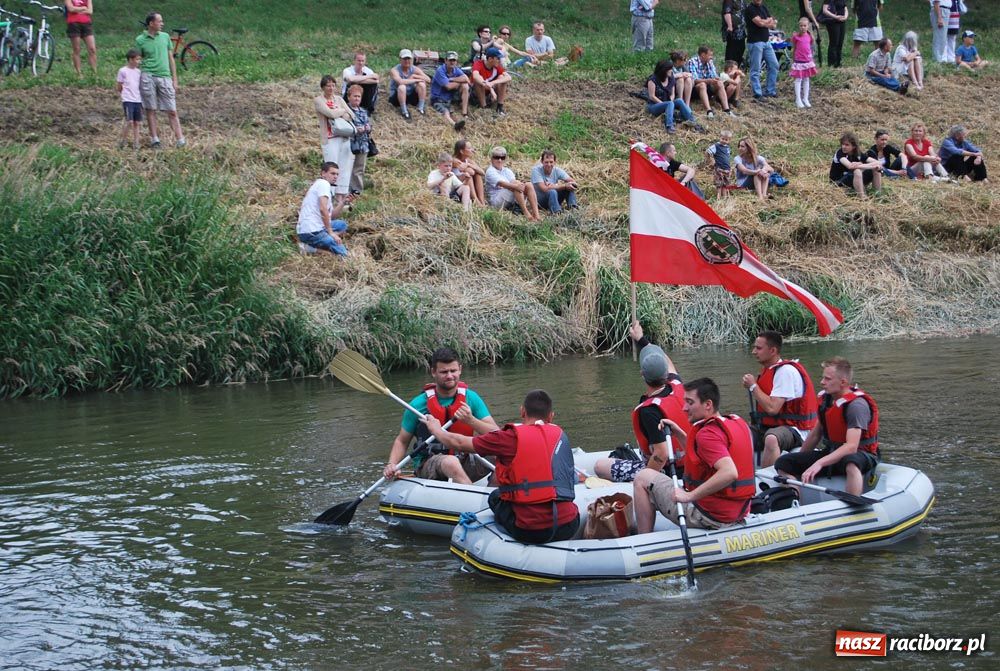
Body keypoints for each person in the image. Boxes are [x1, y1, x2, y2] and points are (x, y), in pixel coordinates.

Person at [423, 389, 579, 544]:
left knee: (495, 497)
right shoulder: (560, 436)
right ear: (551, 416)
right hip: (569, 524)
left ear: (522, 411)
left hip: (530, 530)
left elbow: (459, 443)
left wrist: (436, 428)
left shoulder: (508, 438)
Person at [633, 378, 755, 534]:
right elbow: (698, 458)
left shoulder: (707, 435)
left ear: (708, 404)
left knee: (643, 477)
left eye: (690, 402)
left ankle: (643, 539)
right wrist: (679, 433)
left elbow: (729, 472)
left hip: (708, 516)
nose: (684, 408)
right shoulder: (732, 423)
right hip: (738, 511)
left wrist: (689, 496)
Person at [384, 347, 499, 484]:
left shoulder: (471, 398)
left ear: (460, 369)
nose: (450, 376)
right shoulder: (418, 404)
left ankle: (495, 497)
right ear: (433, 372)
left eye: (453, 371)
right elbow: (402, 441)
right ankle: (472, 500)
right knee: (450, 462)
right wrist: (392, 464)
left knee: (503, 452)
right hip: (429, 463)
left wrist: (471, 421)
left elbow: (496, 434)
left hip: (466, 459)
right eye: (444, 372)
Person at [594, 322, 692, 484]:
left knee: (600, 466)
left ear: (642, 374)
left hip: (669, 471)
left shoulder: (649, 410)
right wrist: (641, 340)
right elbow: (667, 362)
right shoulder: (678, 385)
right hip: (690, 464)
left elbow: (662, 454)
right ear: (666, 373)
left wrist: (644, 479)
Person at [775, 357, 880, 497]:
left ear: (843, 382)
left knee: (851, 463)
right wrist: (799, 458)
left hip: (861, 454)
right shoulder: (827, 400)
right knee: (784, 462)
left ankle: (853, 503)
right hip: (832, 451)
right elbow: (815, 434)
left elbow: (851, 447)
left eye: (827, 379)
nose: (822, 382)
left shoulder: (856, 406)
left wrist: (819, 463)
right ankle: (793, 495)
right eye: (823, 378)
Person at [741, 331, 818, 468]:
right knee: (737, 431)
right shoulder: (768, 370)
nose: (753, 352)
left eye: (758, 348)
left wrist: (753, 386)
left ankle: (766, 479)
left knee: (771, 438)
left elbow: (772, 408)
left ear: (772, 350)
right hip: (771, 426)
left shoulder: (785, 372)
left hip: (796, 430)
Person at [135, 12, 185, 149]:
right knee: (150, 109)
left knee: (172, 110)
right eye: (159, 21)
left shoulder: (165, 37)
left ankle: (180, 139)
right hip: (148, 76)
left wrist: (174, 79)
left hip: (164, 76)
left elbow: (171, 59)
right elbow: (137, 60)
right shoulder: (140, 39)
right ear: (151, 23)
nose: (162, 24)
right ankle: (154, 139)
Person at [314, 75, 356, 201]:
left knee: (345, 166)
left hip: (344, 136)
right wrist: (341, 111)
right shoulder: (318, 100)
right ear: (323, 87)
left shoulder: (338, 99)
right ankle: (329, 194)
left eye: (333, 85)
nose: (331, 88)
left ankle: (341, 196)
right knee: (332, 166)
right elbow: (330, 113)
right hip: (330, 137)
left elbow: (351, 115)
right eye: (328, 85)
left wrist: (340, 111)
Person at [296, 162, 351, 257]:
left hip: (312, 228)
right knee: (344, 254)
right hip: (312, 231)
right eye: (332, 173)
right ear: (323, 173)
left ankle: (319, 243)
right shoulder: (323, 184)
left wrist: (343, 202)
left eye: (337, 174)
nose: (335, 176)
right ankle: (310, 248)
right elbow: (323, 209)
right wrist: (331, 232)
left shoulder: (322, 186)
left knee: (342, 225)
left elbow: (331, 216)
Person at [485, 146, 541, 221]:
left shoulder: (507, 171)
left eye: (502, 158)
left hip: (508, 196)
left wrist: (520, 185)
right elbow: (502, 183)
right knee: (516, 186)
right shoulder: (490, 171)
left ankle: (536, 214)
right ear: (491, 158)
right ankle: (526, 212)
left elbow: (513, 182)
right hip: (497, 200)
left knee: (529, 184)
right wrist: (517, 186)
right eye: (496, 157)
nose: (499, 160)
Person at [646, 59, 698, 134]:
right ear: (664, 70)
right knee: (669, 104)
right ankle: (669, 125)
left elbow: (672, 93)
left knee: (679, 100)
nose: (671, 71)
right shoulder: (652, 80)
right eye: (669, 69)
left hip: (668, 102)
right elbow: (652, 96)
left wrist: (671, 99)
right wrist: (664, 104)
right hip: (654, 105)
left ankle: (692, 120)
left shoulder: (671, 78)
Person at [744, 0, 779, 101]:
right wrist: (767, 21)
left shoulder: (763, 8)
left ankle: (770, 90)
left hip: (766, 41)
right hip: (755, 42)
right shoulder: (750, 9)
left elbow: (773, 25)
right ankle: (757, 93)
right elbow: (759, 23)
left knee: (774, 65)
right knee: (756, 68)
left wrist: (765, 22)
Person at [831, 132, 882, 197]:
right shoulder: (840, 153)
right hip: (838, 181)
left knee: (876, 170)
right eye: (843, 144)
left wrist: (867, 165)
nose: (843, 147)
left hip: (851, 177)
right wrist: (867, 166)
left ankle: (877, 193)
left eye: (847, 145)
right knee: (857, 171)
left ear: (854, 146)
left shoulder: (857, 153)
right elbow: (850, 166)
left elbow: (878, 162)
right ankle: (862, 197)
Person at [688, 46, 734, 118]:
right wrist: (709, 80)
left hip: (708, 86)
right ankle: (708, 110)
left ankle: (726, 109)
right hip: (695, 88)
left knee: (719, 83)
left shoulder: (710, 62)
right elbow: (695, 80)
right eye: (710, 55)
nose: (711, 57)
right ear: (703, 55)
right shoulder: (692, 61)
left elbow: (713, 75)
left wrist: (717, 79)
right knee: (702, 84)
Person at [431, 51, 470, 131]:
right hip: (438, 98)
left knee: (465, 86)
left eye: (454, 60)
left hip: (449, 97)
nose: (452, 62)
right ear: (445, 61)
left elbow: (467, 79)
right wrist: (459, 82)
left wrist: (452, 79)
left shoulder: (456, 70)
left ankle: (464, 113)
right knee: (445, 111)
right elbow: (448, 86)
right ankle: (454, 124)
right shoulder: (440, 70)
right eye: (450, 60)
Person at [345, 85, 372, 195]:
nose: (357, 98)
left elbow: (369, 125)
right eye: (354, 96)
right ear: (349, 97)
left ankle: (357, 191)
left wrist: (368, 128)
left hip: (363, 144)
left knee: (359, 168)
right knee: (347, 168)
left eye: (359, 96)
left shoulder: (363, 111)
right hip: (350, 143)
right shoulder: (345, 110)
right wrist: (356, 129)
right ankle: (345, 190)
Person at [389, 49, 431, 120]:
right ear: (400, 59)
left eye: (408, 58)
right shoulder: (394, 70)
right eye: (404, 59)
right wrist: (414, 80)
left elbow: (428, 79)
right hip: (396, 97)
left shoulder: (414, 69)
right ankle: (404, 111)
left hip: (410, 95)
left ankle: (421, 108)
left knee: (422, 84)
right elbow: (400, 82)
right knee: (402, 87)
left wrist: (415, 76)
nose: (407, 61)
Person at [472, 48, 512, 116]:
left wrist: (493, 83)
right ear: (490, 59)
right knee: (479, 81)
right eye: (497, 59)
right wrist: (491, 89)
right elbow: (475, 76)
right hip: (476, 94)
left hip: (489, 92)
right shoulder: (478, 64)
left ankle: (500, 107)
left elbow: (508, 77)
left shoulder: (496, 66)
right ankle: (484, 108)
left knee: (502, 78)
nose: (499, 61)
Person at [116, 49, 143, 150]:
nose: (139, 61)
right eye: (137, 59)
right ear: (131, 59)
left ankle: (136, 143)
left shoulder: (138, 72)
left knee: (137, 122)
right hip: (128, 100)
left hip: (137, 100)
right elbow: (119, 86)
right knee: (130, 121)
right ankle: (123, 141)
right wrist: (124, 95)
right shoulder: (123, 71)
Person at [790, 17, 818, 108]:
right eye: (801, 26)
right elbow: (794, 49)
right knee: (798, 80)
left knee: (806, 79)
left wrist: (811, 58)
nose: (802, 27)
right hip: (799, 61)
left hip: (807, 61)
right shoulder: (796, 37)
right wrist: (793, 59)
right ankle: (798, 99)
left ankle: (805, 98)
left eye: (804, 26)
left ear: (808, 26)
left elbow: (810, 48)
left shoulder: (810, 37)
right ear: (799, 26)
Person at [734, 136, 774, 201]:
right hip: (743, 184)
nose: (739, 148)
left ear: (749, 148)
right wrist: (757, 172)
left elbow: (770, 168)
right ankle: (760, 197)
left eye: (742, 146)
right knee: (756, 174)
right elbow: (744, 171)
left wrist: (763, 171)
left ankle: (764, 195)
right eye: (739, 146)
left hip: (755, 183)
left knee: (766, 172)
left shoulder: (757, 158)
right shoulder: (737, 158)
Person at [65, 0, 96, 76]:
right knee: (77, 49)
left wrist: (77, 9)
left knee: (92, 49)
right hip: (73, 24)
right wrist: (83, 8)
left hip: (86, 24)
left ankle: (94, 72)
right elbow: (70, 9)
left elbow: (90, 11)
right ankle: (79, 73)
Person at [453, 139, 487, 206]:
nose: (472, 150)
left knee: (478, 174)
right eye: (469, 148)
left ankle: (482, 201)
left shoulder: (468, 160)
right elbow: (470, 171)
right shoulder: (455, 161)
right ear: (462, 151)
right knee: (468, 175)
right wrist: (469, 167)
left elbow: (483, 173)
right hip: (457, 187)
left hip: (465, 184)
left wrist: (469, 164)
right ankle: (476, 202)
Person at [821, 0, 849, 68]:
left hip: (841, 22)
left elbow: (845, 9)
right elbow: (824, 10)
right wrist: (835, 17)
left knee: (840, 43)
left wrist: (845, 17)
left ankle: (838, 63)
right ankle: (832, 64)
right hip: (832, 22)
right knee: (834, 43)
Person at [721, 0, 748, 66]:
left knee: (741, 49)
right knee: (732, 52)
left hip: (741, 32)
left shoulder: (742, 1)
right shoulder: (729, 1)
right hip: (733, 32)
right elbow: (727, 13)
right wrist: (730, 26)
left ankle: (736, 68)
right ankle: (729, 69)